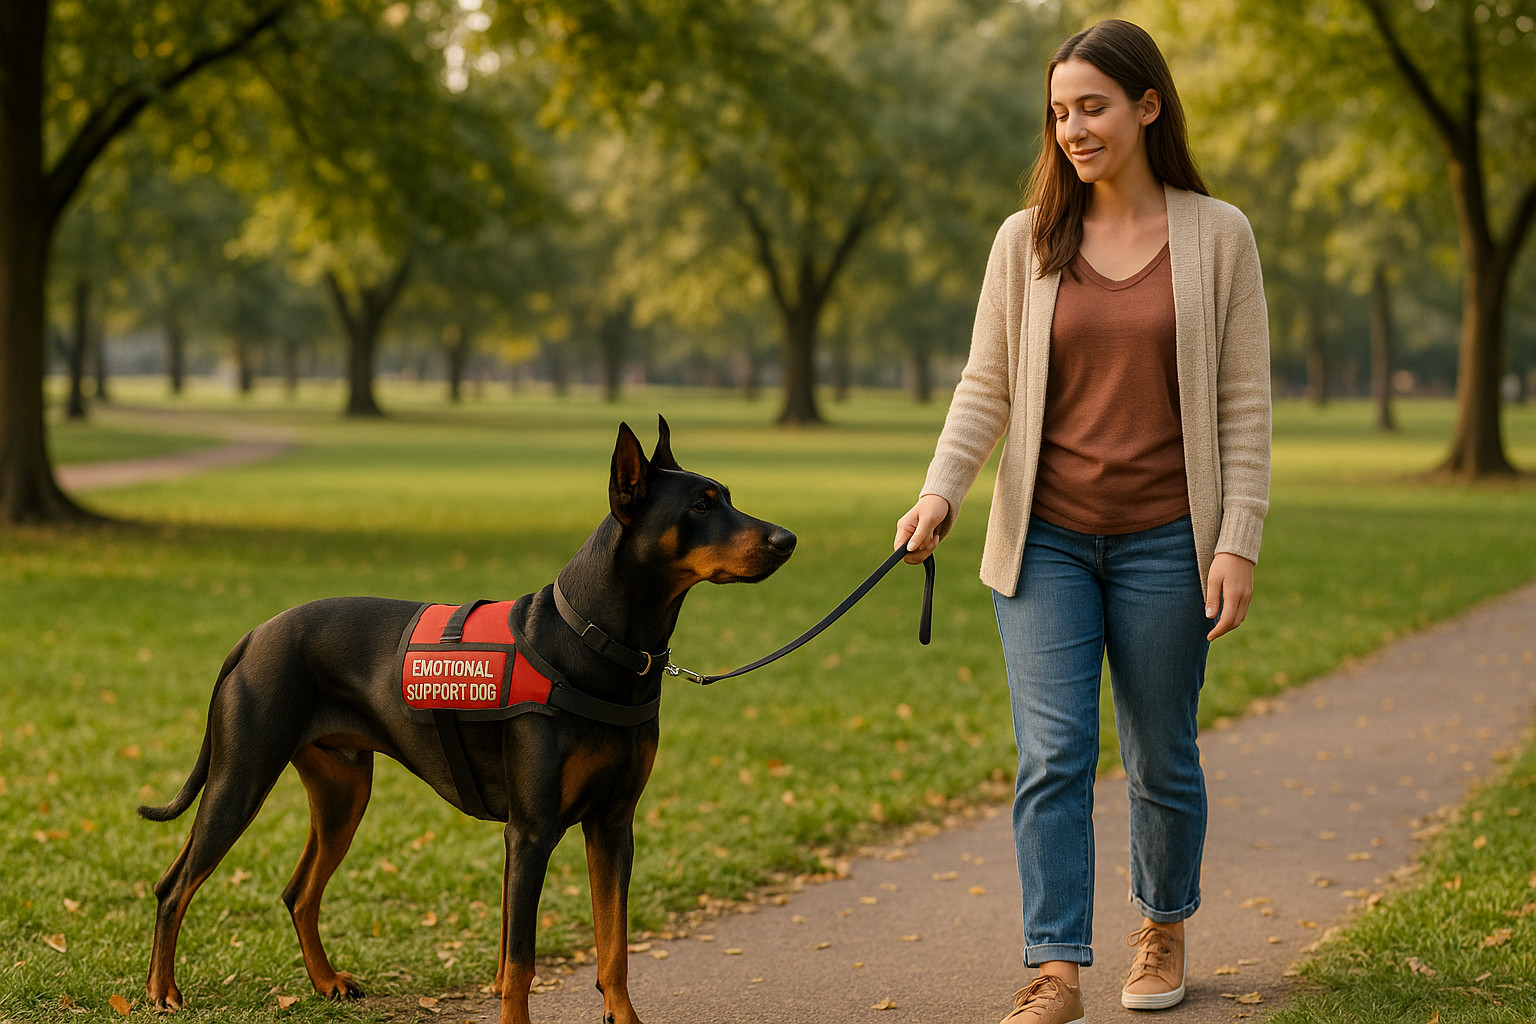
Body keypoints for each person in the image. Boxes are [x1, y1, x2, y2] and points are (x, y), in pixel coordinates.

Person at [894, 18, 1271, 1024]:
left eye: (1092, 106)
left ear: (1149, 105)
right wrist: (942, 489)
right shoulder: (1026, 240)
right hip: (1046, 537)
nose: (1073, 128)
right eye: (1059, 111)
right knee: (1054, 752)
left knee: (1161, 753)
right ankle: (1055, 967)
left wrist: (1237, 538)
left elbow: (1244, 404)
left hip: (1165, 541)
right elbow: (987, 384)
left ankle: (1162, 924)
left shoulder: (1219, 234)